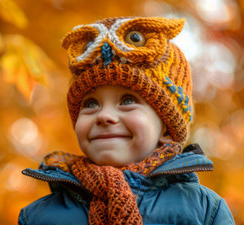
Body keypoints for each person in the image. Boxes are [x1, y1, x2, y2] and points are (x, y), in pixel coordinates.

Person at [18, 16, 235, 225]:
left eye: (128, 100)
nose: (104, 116)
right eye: (91, 104)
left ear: (167, 129)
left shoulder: (204, 209)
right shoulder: (38, 216)